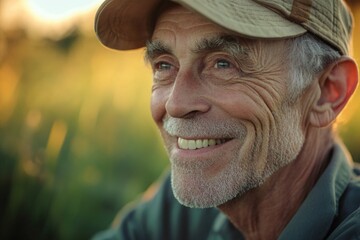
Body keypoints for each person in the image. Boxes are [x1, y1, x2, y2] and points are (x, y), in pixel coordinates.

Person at [93, 0, 360, 239]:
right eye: (164, 65)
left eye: (223, 64)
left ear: (328, 92)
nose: (175, 104)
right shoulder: (186, 203)